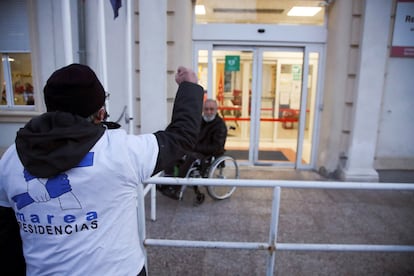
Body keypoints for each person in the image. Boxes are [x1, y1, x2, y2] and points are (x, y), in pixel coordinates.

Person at [0, 63, 203, 275]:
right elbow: (181, 136)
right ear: (101, 113)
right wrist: (188, 85)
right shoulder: (121, 151)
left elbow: (6, 234)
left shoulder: (11, 158)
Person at [159, 98, 228, 200]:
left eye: (211, 109)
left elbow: (217, 146)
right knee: (175, 151)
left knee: (190, 158)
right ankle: (167, 181)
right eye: (206, 109)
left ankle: (175, 188)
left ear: (216, 109)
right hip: (194, 148)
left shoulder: (220, 125)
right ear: (203, 109)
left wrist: (195, 147)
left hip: (209, 153)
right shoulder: (199, 120)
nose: (209, 112)